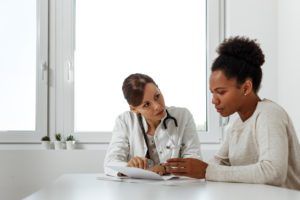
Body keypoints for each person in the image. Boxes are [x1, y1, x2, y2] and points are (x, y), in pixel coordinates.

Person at [165, 36, 300, 190]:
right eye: (212, 93)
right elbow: (217, 164)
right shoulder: (235, 125)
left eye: (221, 92)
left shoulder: (269, 115)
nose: (214, 100)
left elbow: (273, 173)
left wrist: (206, 170)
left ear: (246, 88)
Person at [104, 73, 202, 176]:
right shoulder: (124, 121)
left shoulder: (183, 116)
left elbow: (194, 160)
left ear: (159, 89)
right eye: (146, 104)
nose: (157, 106)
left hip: (175, 189)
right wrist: (128, 167)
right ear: (134, 109)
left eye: (157, 96)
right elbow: (110, 163)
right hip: (137, 190)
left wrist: (166, 168)